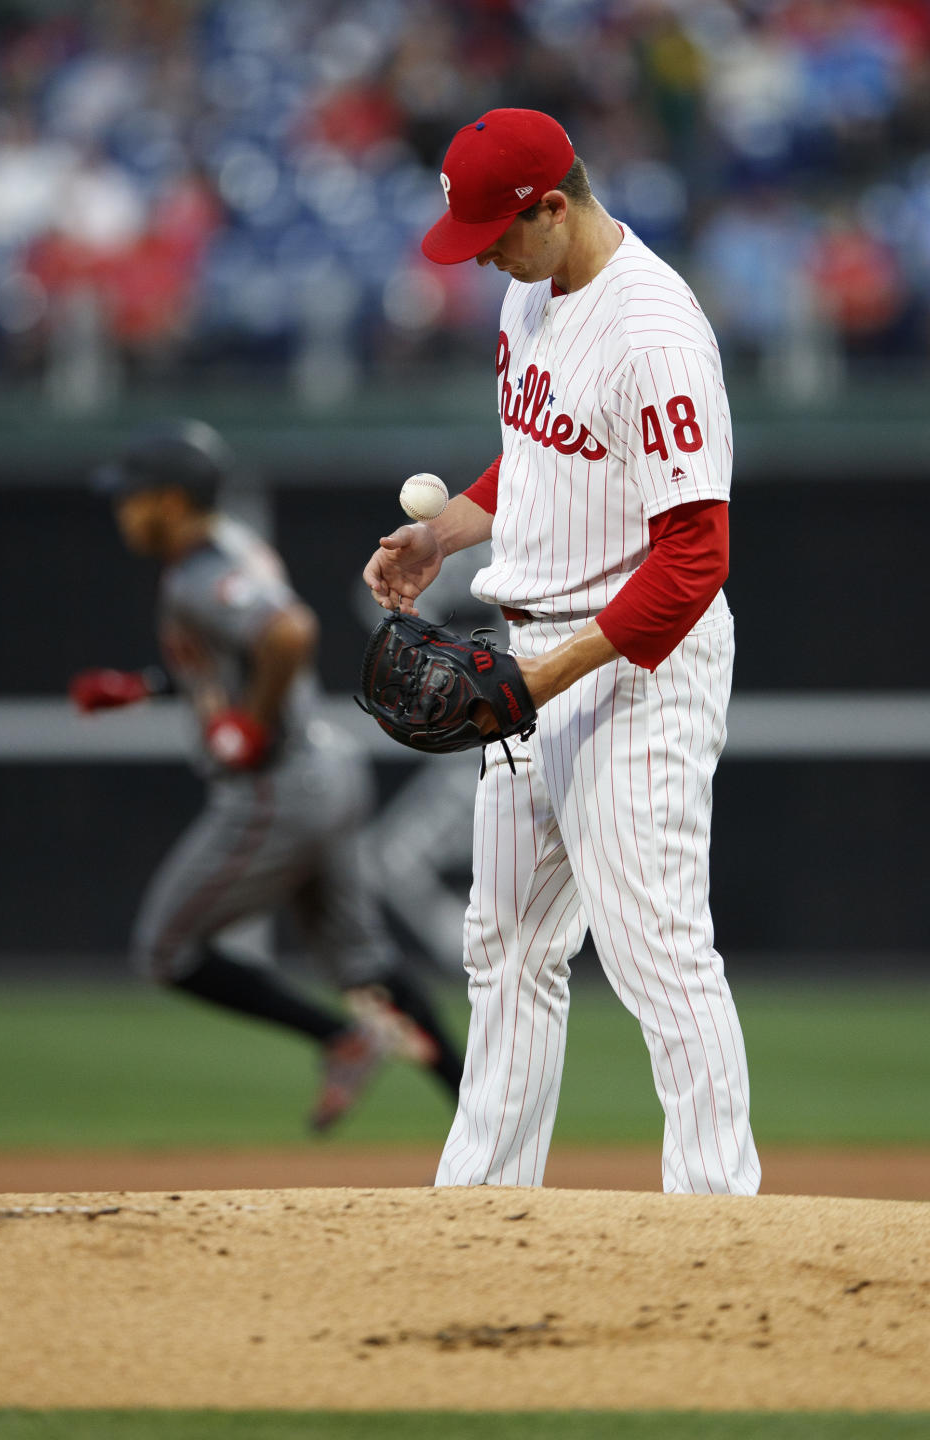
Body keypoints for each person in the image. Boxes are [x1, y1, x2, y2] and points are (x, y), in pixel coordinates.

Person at [363, 108, 760, 1194]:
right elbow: (537, 454)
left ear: (554, 204)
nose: (481, 250)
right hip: (530, 657)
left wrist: (536, 680)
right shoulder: (530, 287)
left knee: (656, 953)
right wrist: (444, 533)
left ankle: (725, 1227)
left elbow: (693, 562)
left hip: (633, 669)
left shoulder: (654, 333)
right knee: (505, 948)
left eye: (498, 228)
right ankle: (482, 1211)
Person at [72, 418, 463, 1132]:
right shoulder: (227, 550)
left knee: (164, 949)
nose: (122, 509)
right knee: (364, 960)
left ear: (169, 501)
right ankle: (477, 1106)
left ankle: (339, 1038)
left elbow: (288, 632)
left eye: (133, 495)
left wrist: (249, 722)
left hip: (278, 788)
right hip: (325, 770)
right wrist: (151, 685)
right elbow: (241, 647)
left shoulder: (201, 571)